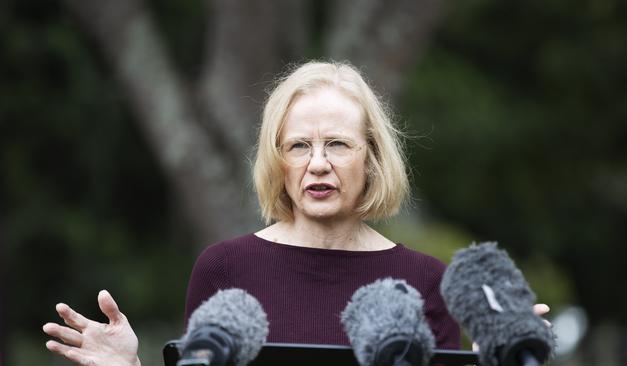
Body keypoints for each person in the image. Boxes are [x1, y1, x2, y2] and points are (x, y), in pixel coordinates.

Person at [43, 61, 550, 365]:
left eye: (337, 144)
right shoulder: (223, 269)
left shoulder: (427, 280)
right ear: (278, 161)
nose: (318, 164)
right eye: (299, 145)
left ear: (372, 158)